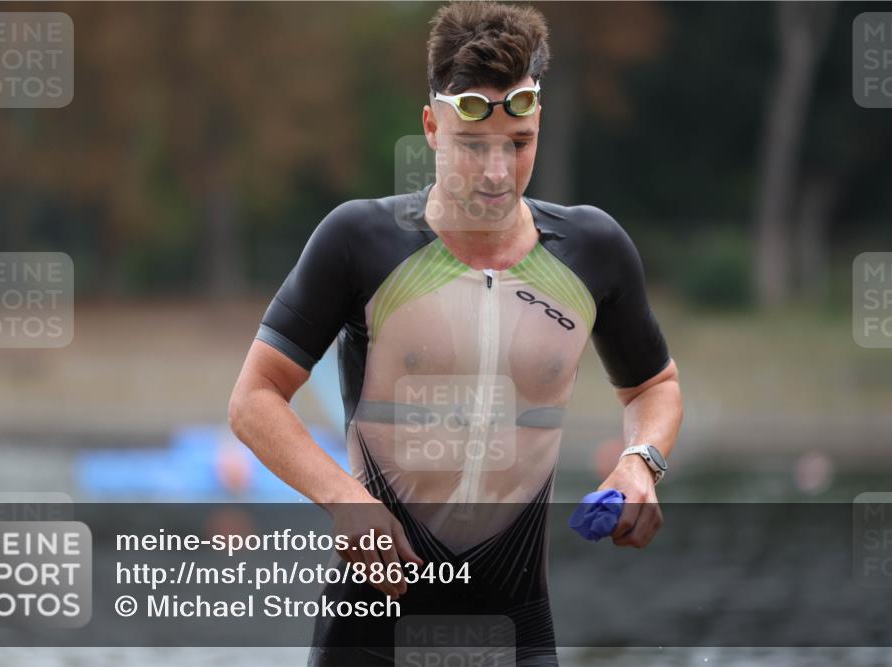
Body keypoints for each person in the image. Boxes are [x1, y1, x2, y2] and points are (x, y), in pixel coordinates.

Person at [229, 2, 683, 665]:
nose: (497, 172)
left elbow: (654, 385)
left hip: (517, 633)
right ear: (432, 129)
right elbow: (254, 398)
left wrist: (640, 461)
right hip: (371, 634)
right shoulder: (360, 240)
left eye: (519, 143)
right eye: (473, 146)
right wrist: (346, 501)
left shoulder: (594, 250)